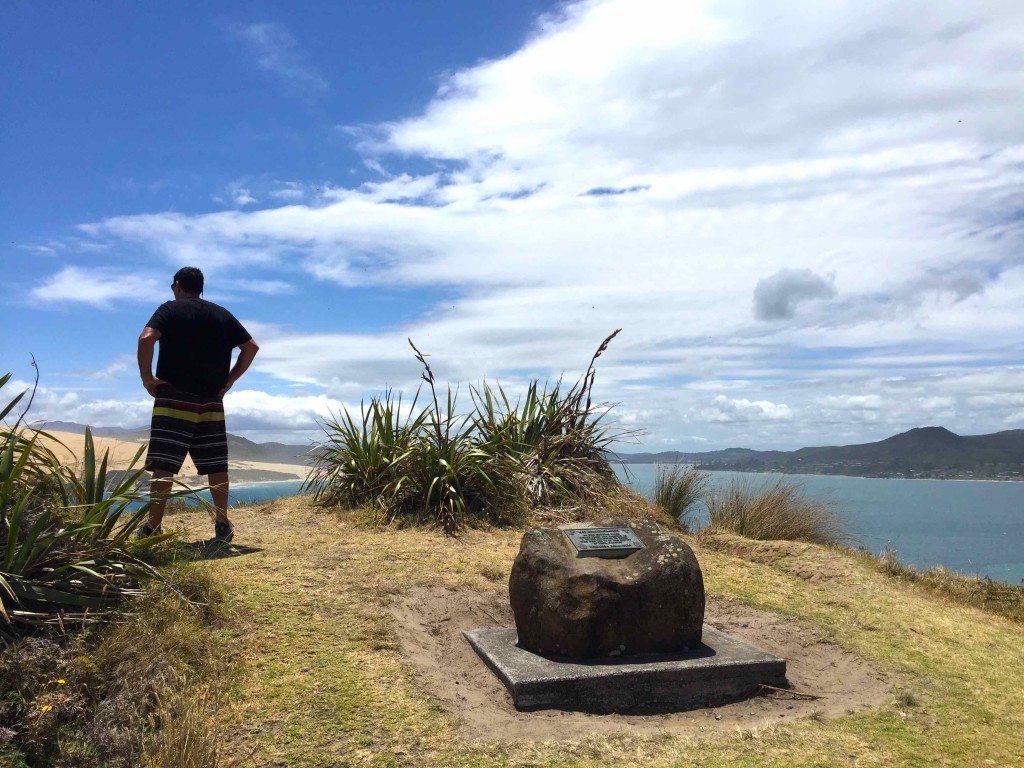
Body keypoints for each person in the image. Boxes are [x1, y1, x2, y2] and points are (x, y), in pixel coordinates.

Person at [136, 267, 259, 542]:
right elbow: (251, 347)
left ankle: (153, 527)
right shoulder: (221, 314)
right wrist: (229, 381)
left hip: (174, 397)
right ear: (201, 288)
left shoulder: (169, 309)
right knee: (216, 464)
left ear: (177, 286)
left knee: (164, 463)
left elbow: (146, 338)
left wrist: (147, 378)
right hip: (211, 400)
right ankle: (222, 524)